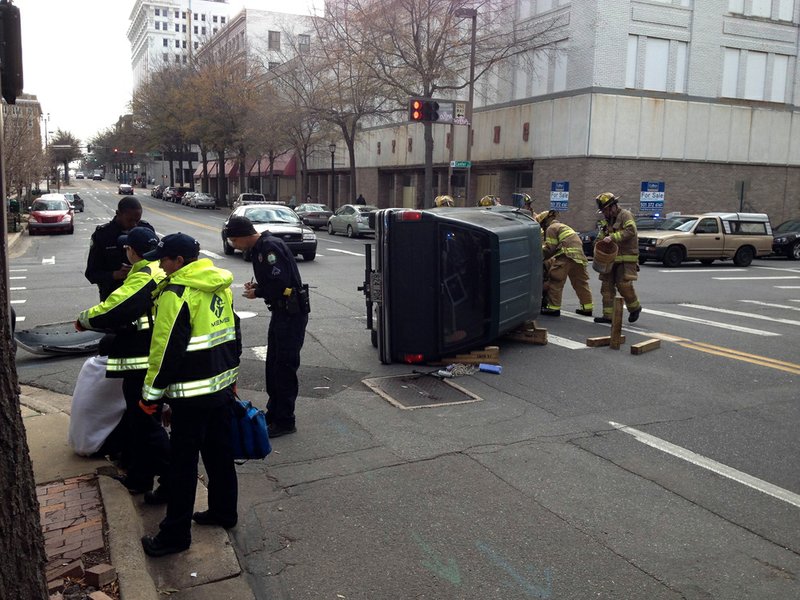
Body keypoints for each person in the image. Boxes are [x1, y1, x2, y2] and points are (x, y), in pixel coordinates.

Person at [139, 233, 242, 557]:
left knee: (184, 465)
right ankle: (223, 512)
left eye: (164, 259)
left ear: (179, 261)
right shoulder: (219, 285)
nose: (159, 264)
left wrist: (150, 397)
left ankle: (175, 536)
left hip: (191, 395)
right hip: (220, 387)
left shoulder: (176, 293)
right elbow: (233, 333)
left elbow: (165, 350)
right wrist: (232, 379)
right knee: (220, 456)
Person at [76, 227, 170, 496]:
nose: (124, 251)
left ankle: (172, 474)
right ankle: (140, 478)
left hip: (142, 360)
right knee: (137, 423)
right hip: (147, 356)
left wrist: (85, 320)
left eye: (126, 247)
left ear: (132, 251)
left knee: (145, 423)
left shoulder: (143, 275)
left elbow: (116, 307)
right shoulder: (154, 269)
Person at [223, 216, 309, 438]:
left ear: (242, 236)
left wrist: (258, 292)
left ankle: (285, 420)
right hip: (281, 313)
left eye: (234, 240)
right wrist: (259, 286)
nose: (234, 245)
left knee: (284, 368)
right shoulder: (262, 246)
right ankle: (275, 411)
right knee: (273, 365)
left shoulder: (269, 247)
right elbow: (275, 280)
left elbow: (281, 283)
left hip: (291, 314)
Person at [85, 197, 154, 301]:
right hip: (113, 297)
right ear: (118, 213)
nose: (134, 225)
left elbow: (157, 260)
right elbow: (91, 274)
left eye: (137, 220)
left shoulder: (146, 230)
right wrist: (115, 275)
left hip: (142, 295)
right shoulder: (103, 235)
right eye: (130, 220)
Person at [593, 192, 642, 324]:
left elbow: (631, 231)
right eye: (602, 210)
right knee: (606, 287)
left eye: (605, 210)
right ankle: (608, 316)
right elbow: (601, 235)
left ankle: (635, 308)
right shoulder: (606, 220)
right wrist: (598, 243)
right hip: (611, 259)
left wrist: (613, 237)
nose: (604, 213)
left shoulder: (625, 215)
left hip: (626, 258)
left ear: (613, 206)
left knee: (623, 285)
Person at [535, 211, 593, 317]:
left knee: (556, 280)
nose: (543, 227)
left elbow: (550, 248)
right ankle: (587, 308)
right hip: (579, 256)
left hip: (566, 255)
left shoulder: (551, 228)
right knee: (580, 283)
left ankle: (553, 308)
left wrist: (540, 255)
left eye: (542, 225)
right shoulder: (563, 226)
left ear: (545, 221)